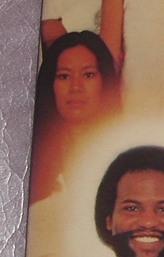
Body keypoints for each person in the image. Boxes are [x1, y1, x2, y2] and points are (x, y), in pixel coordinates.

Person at [29, 31, 120, 205]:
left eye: (88, 75)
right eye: (64, 76)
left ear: (104, 81)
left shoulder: (125, 153)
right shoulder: (30, 159)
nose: (76, 87)